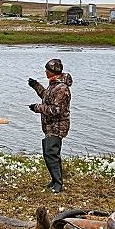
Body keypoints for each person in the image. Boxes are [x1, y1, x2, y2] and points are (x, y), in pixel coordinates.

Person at [27, 58, 73, 193]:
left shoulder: (62, 88)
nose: (45, 71)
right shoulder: (54, 85)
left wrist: (38, 108)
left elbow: (55, 110)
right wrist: (36, 85)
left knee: (51, 153)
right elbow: (46, 96)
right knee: (50, 153)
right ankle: (54, 180)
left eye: (47, 69)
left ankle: (58, 184)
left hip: (57, 126)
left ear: (53, 72)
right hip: (50, 126)